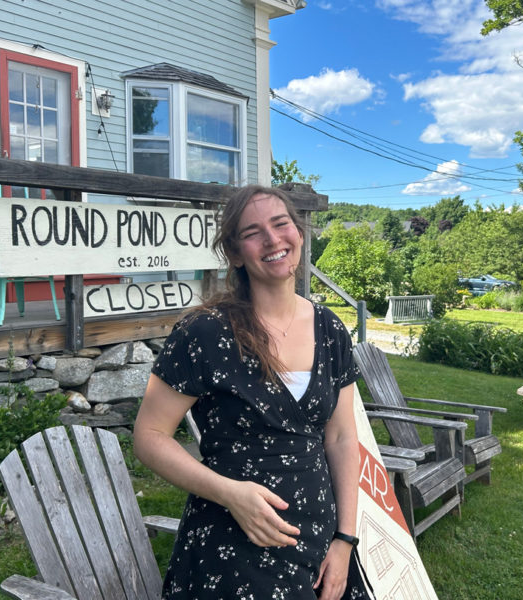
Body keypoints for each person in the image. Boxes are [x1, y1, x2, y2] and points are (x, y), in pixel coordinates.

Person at [134, 184, 363, 599]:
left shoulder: (331, 330)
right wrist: (230, 494)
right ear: (236, 253)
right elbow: (149, 438)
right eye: (254, 232)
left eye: (281, 224)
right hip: (234, 543)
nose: (274, 239)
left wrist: (346, 539)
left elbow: (343, 438)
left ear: (299, 232)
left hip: (320, 542)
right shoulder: (204, 332)